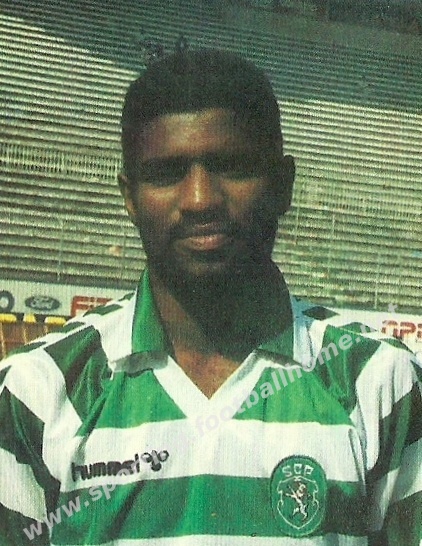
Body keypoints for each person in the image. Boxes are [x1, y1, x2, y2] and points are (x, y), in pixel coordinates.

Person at [0, 48, 421, 546]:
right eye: (166, 173)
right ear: (129, 197)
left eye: (232, 167)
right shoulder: (39, 389)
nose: (200, 199)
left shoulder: (379, 382)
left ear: (283, 185)